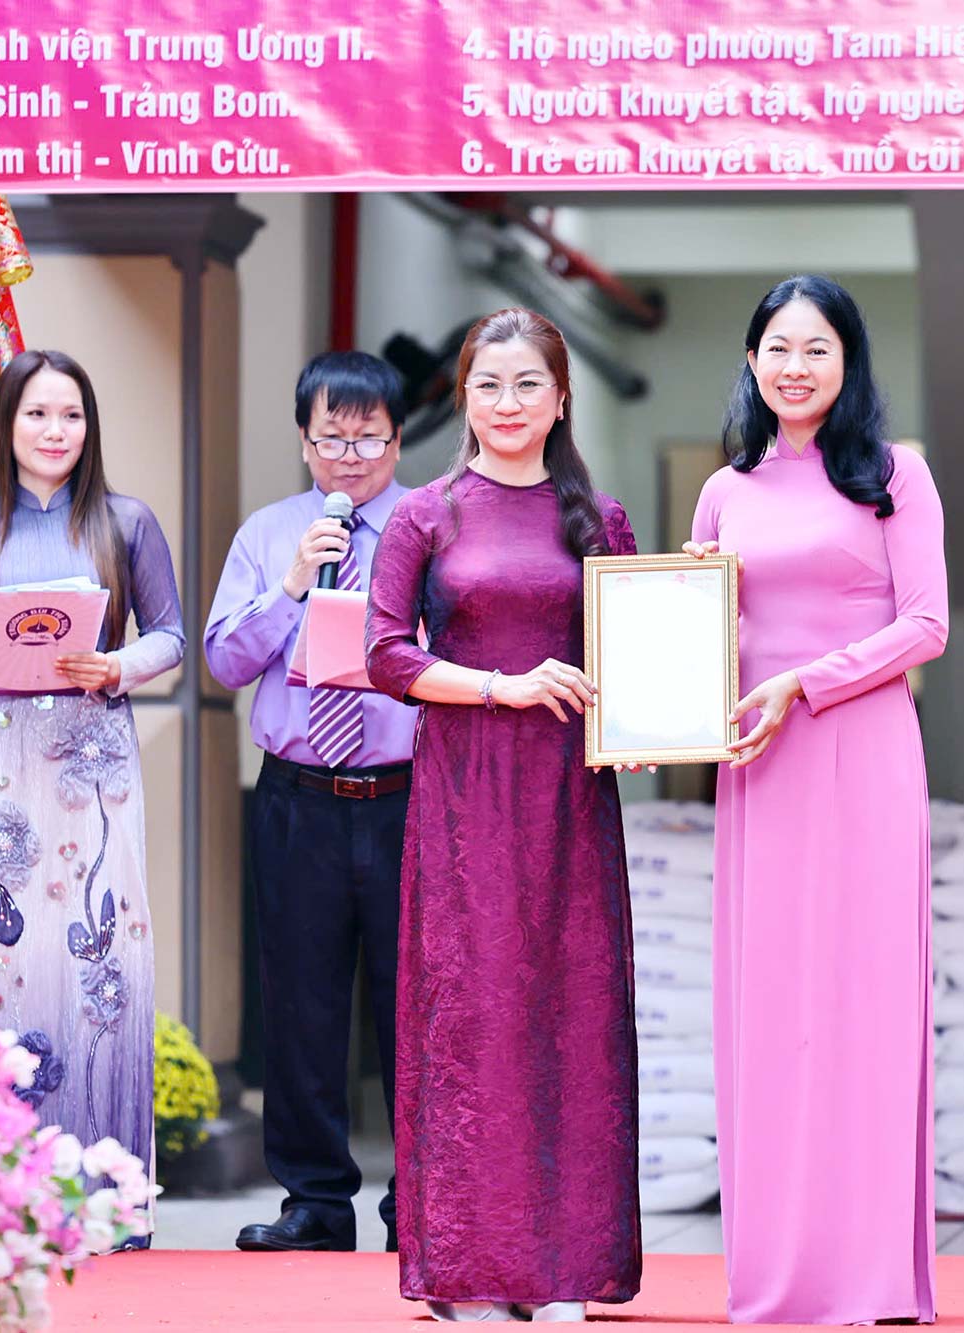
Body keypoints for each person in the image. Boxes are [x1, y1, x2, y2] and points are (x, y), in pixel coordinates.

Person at [365, 308, 641, 1324]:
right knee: (473, 1011)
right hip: (465, 791)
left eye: (528, 384)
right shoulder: (425, 515)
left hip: (571, 793)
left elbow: (634, 657)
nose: (508, 403)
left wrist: (678, 682)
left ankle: (561, 1268)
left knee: (568, 1013)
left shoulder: (598, 518)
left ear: (560, 396)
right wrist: (500, 686)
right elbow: (384, 655)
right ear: (463, 397)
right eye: (489, 384)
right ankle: (471, 1271)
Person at [686, 275, 948, 1324]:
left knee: (863, 1003)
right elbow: (702, 633)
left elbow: (925, 624)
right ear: (750, 362)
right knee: (770, 1012)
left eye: (817, 350)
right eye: (777, 349)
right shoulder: (725, 488)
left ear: (849, 364)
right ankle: (776, 1269)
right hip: (759, 760)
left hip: (863, 751)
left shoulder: (895, 475)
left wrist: (809, 680)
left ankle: (871, 1274)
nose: (794, 368)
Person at [0, 349, 186, 1248]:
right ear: (7, 425)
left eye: (70, 416)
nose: (54, 431)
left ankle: (107, 1203)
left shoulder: (128, 523)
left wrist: (120, 663)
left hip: (93, 772)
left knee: (102, 966)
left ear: (88, 427)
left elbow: (173, 633)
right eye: (36, 415)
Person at [203, 351, 416, 1253]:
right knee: (301, 1001)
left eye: (369, 438)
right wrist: (293, 585)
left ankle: (427, 1201)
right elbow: (221, 662)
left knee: (419, 1002)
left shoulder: (428, 524)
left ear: (399, 440)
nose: (350, 456)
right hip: (297, 795)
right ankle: (317, 1202)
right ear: (303, 440)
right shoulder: (268, 534)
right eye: (332, 436)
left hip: (410, 793)